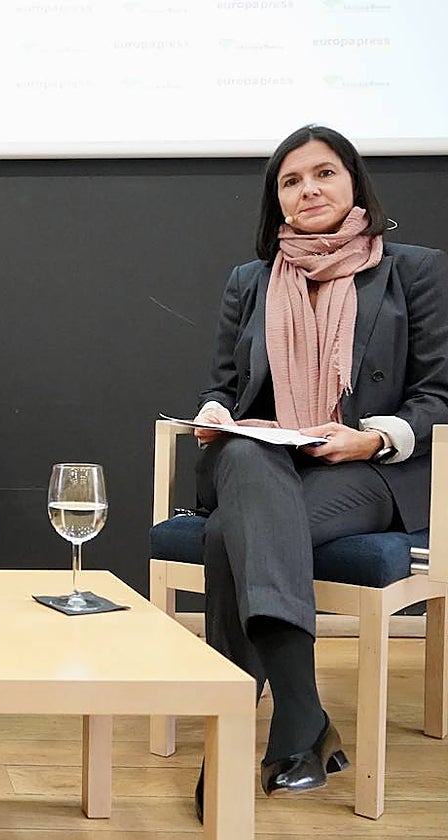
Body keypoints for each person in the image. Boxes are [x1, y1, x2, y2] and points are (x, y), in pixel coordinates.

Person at [189, 124, 448, 821]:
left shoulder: (413, 270)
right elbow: (223, 388)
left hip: (366, 470)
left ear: (354, 183)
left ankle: (238, 737)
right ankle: (299, 719)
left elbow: (439, 395)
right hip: (259, 461)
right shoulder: (250, 281)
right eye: (291, 181)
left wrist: (372, 438)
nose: (308, 190)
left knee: (226, 540)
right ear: (276, 202)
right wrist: (216, 413)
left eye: (323, 174)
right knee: (243, 456)